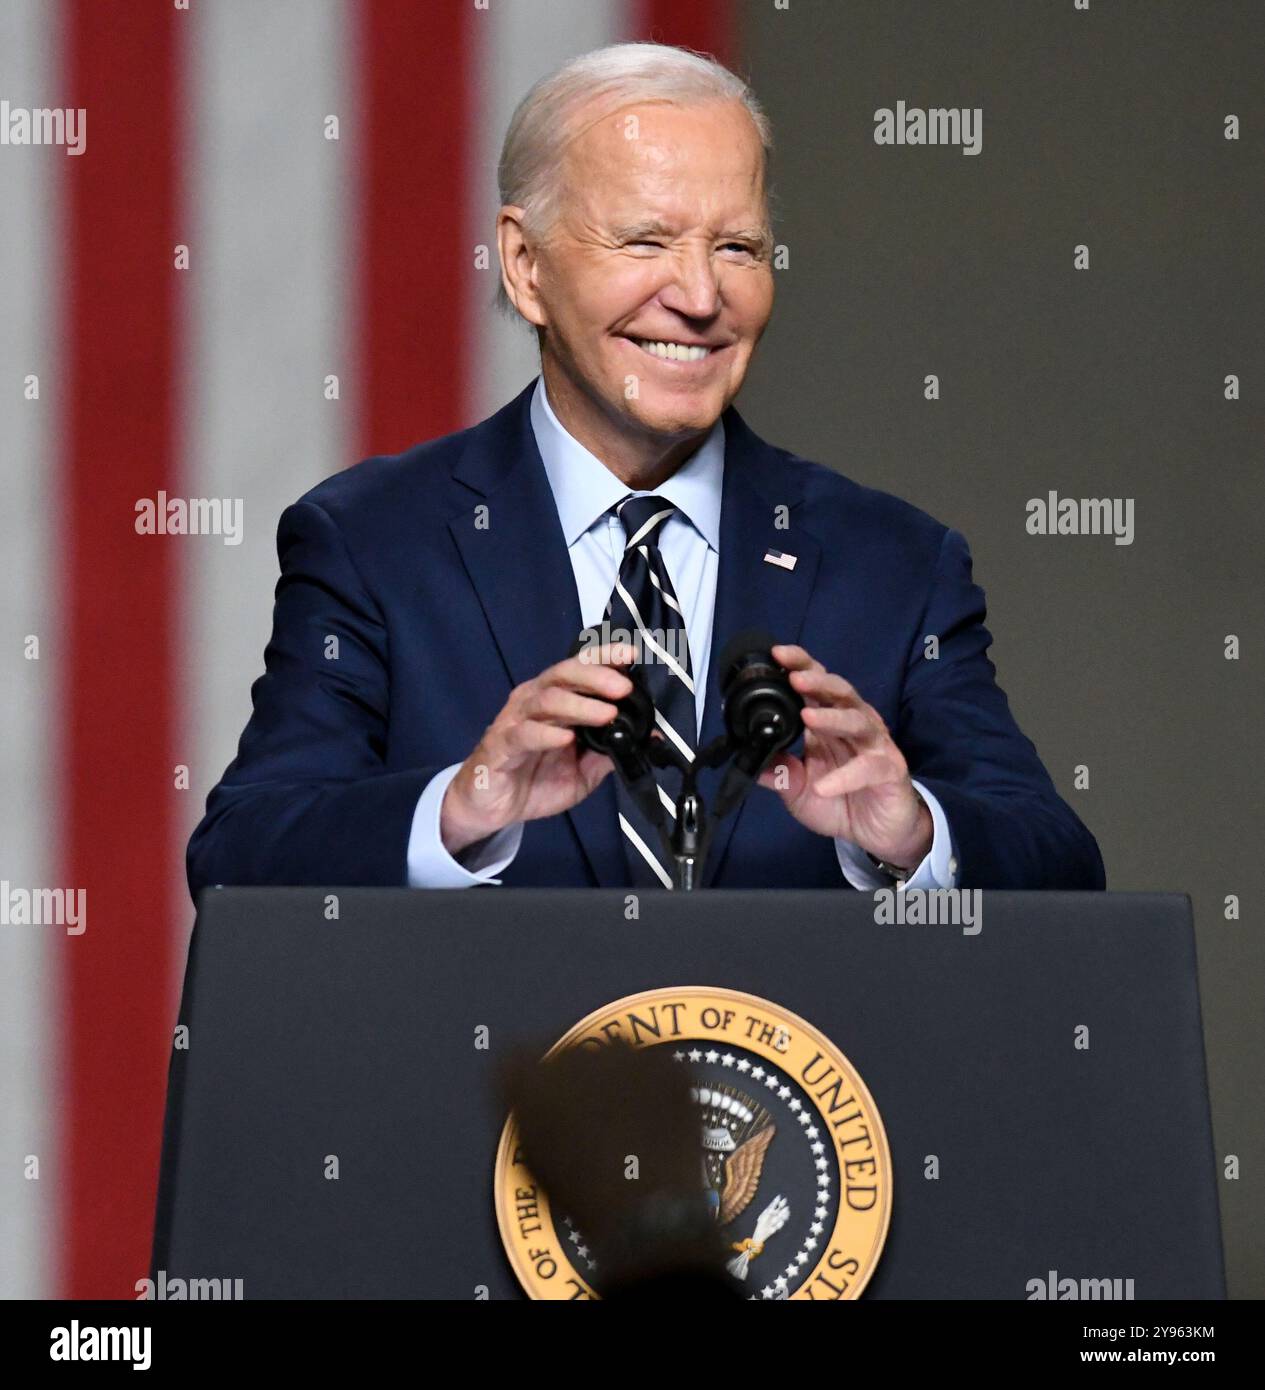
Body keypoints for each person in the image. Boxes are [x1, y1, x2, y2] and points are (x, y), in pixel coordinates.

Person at [187, 42, 1104, 898]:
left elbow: (1058, 865)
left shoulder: (894, 562)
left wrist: (908, 836)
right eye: (644, 241)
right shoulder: (374, 542)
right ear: (524, 265)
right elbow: (241, 856)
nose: (700, 297)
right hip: (494, 1069)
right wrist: (461, 810)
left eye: (737, 247)